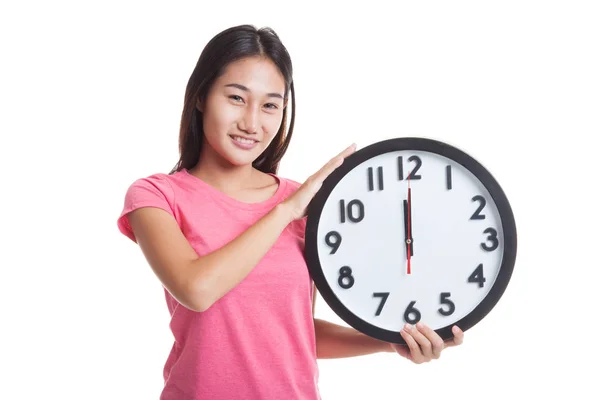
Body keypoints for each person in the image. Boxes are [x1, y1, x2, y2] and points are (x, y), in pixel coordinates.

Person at [116, 24, 464, 400]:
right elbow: (196, 289)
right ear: (201, 96)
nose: (252, 123)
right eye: (236, 98)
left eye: (270, 105)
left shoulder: (301, 203)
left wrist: (385, 341)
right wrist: (286, 211)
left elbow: (297, 330)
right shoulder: (156, 196)